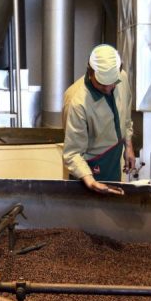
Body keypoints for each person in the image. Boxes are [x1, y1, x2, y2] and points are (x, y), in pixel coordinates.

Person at [62, 44, 135, 196]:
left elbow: (126, 117)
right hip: (88, 168)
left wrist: (128, 146)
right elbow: (73, 153)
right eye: (102, 84)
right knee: (86, 216)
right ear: (90, 72)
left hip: (113, 159)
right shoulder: (76, 101)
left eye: (113, 82)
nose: (109, 88)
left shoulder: (122, 78)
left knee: (113, 208)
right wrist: (90, 180)